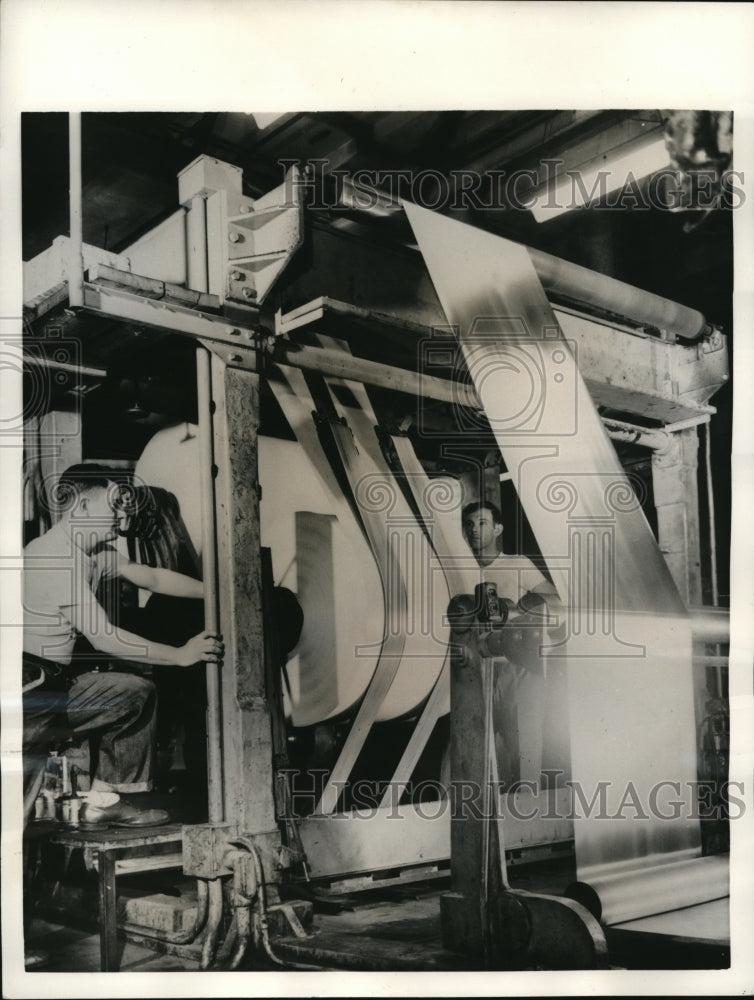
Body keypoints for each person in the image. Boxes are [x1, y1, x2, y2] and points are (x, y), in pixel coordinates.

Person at [22, 464, 223, 827]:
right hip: (27, 688)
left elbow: (152, 577)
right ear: (81, 508)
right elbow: (104, 636)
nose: (122, 514)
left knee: (132, 694)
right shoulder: (53, 557)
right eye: (113, 505)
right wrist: (180, 656)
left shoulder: (93, 553)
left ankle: (105, 801)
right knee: (15, 812)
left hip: (56, 684)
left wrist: (219, 593)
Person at [460, 499, 559, 789]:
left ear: (498, 528)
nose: (474, 530)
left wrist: (514, 610)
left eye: (482, 523)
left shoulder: (517, 564)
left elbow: (555, 602)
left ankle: (526, 811)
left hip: (518, 665)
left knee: (524, 743)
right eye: (469, 525)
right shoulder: (460, 569)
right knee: (477, 743)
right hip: (475, 666)